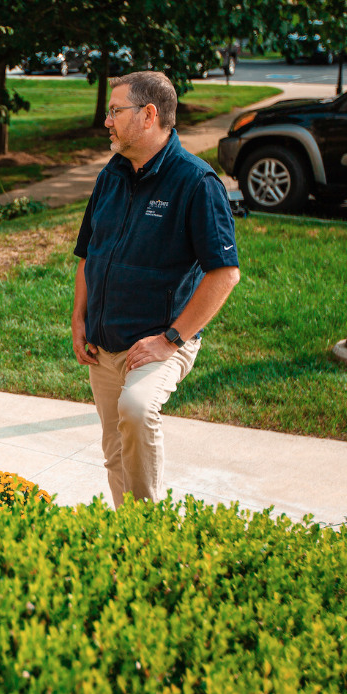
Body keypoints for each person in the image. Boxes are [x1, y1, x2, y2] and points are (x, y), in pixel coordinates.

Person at [72, 71, 241, 506]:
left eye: (115, 111)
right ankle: (126, 538)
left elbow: (224, 274)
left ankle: (151, 533)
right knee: (114, 455)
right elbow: (90, 253)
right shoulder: (111, 175)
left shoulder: (196, 182)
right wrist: (79, 318)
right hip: (104, 343)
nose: (107, 121)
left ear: (148, 115)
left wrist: (171, 339)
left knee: (137, 408)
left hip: (159, 341)